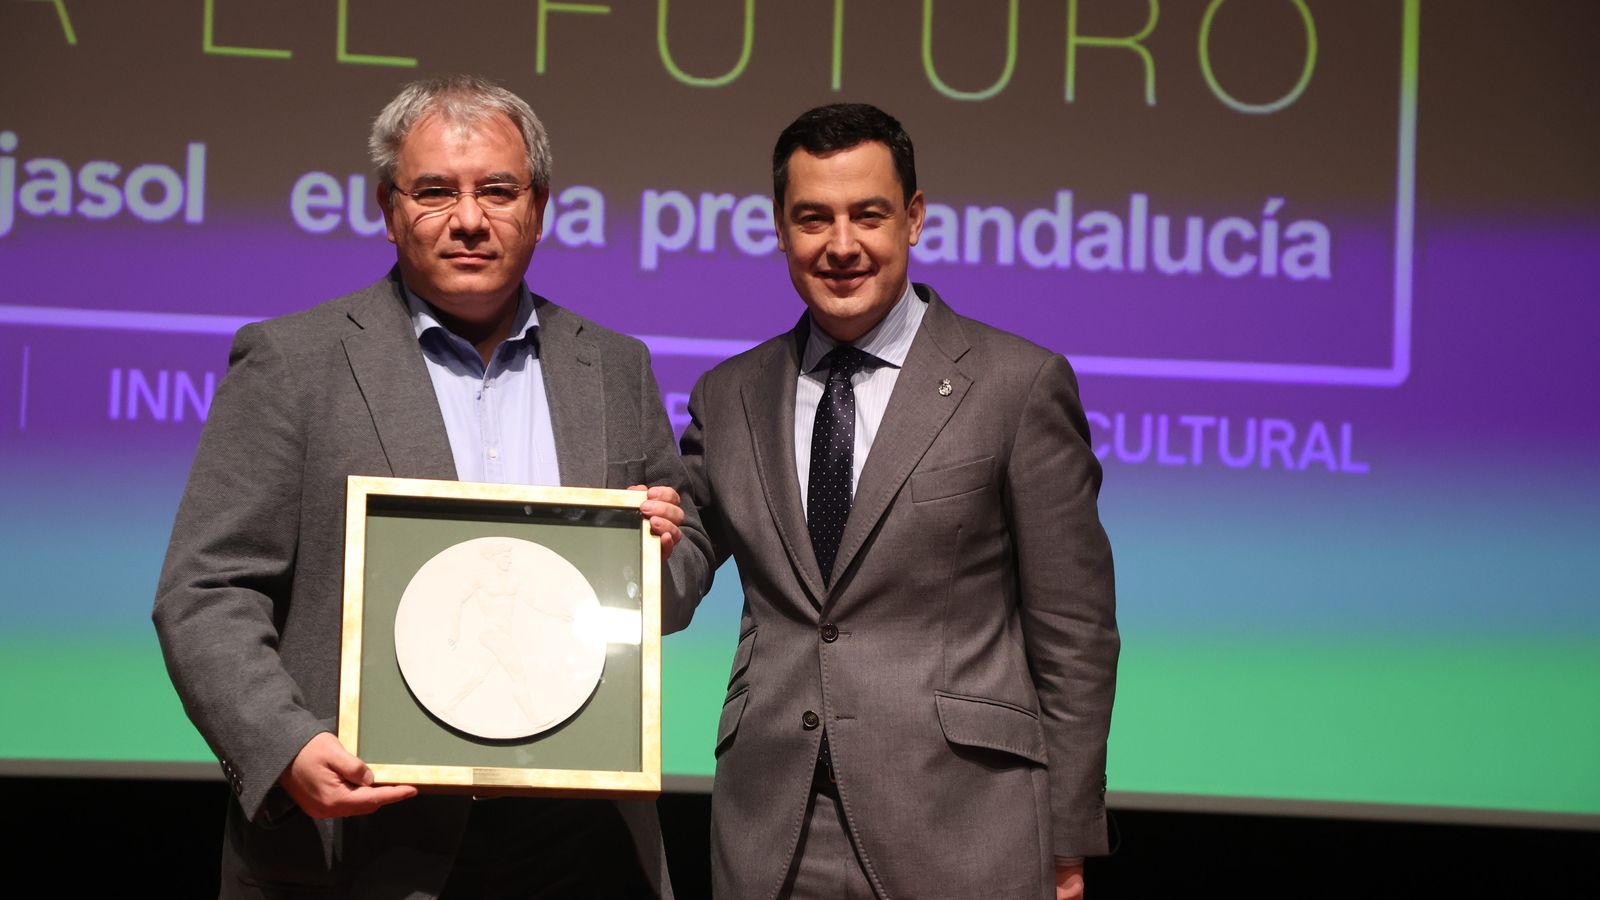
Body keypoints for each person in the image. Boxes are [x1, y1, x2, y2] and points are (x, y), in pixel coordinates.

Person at [153, 74, 710, 899]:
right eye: (435, 192)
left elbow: (681, 565)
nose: (470, 220)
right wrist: (286, 745)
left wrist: (657, 553)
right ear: (388, 209)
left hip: (577, 841)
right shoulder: (292, 363)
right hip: (364, 839)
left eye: (497, 190)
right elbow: (206, 591)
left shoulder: (614, 367)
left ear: (540, 206)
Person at [679, 103, 1119, 899]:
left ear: (913, 219)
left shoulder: (1017, 384)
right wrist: (612, 531)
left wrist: (1068, 833)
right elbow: (677, 573)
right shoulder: (729, 395)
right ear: (779, 229)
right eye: (812, 218)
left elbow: (1075, 631)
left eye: (868, 215)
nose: (840, 245)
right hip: (772, 831)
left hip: (965, 824)